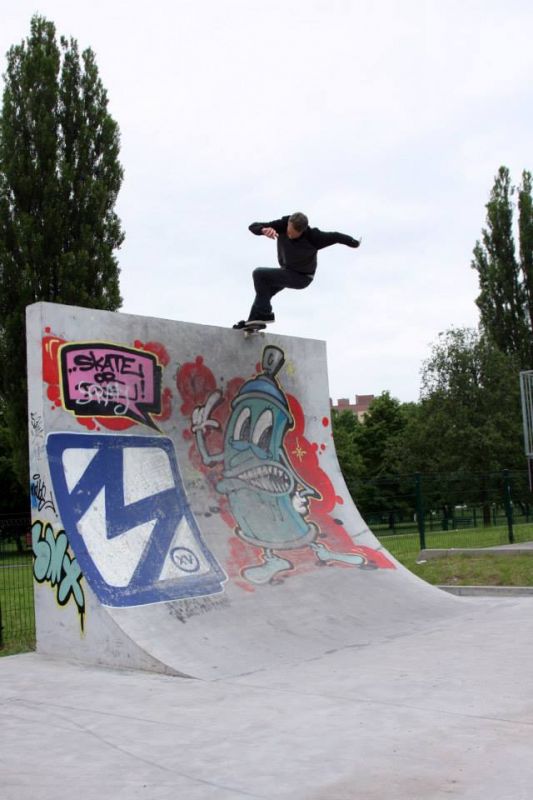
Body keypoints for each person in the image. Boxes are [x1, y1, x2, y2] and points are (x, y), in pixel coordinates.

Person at [233, 212, 360, 329]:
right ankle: (254, 322)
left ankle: (264, 315)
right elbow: (253, 226)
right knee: (264, 292)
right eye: (289, 231)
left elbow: (337, 236)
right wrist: (263, 230)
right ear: (288, 224)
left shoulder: (314, 237)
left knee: (259, 274)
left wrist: (354, 243)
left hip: (302, 277)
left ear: (303, 231)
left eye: (294, 234)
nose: (290, 235)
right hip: (287, 271)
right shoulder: (282, 224)